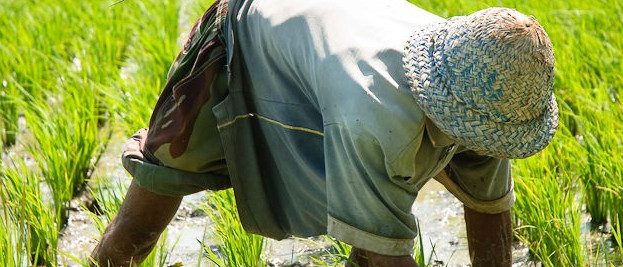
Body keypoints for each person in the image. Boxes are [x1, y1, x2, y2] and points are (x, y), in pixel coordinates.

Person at [91, 0, 558, 266]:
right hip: (244, 34)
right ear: (446, 105)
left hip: (328, 45)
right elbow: (384, 258)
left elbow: (490, 209)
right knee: (154, 196)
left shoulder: (491, 87)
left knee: (370, 220)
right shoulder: (374, 113)